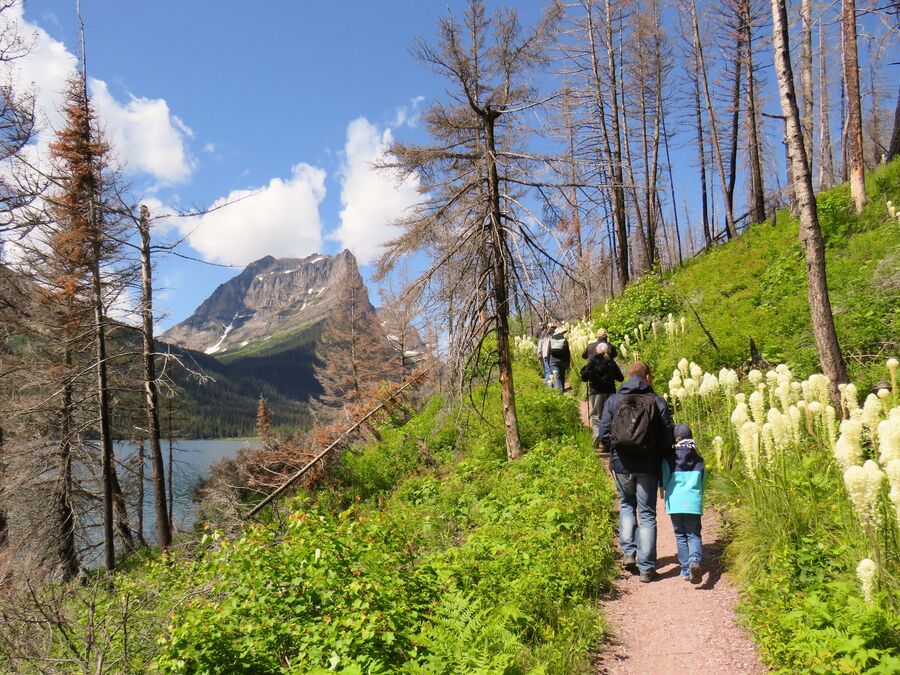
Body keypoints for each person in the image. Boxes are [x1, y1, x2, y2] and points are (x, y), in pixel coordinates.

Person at [599, 361, 674, 583]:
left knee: (626, 504)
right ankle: (647, 568)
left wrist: (615, 451)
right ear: (647, 377)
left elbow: (603, 434)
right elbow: (667, 437)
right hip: (648, 466)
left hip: (622, 465)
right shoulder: (657, 401)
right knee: (648, 513)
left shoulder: (614, 400)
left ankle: (629, 553)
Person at [663, 423, 705, 583]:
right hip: (693, 503)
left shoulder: (669, 459)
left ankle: (685, 570)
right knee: (693, 534)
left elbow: (665, 481)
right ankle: (695, 560)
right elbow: (703, 483)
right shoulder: (699, 460)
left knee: (680, 535)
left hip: (675, 503)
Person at [581, 342, 624, 448]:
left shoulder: (592, 361)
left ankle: (595, 440)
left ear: (597, 350)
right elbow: (621, 378)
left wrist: (590, 374)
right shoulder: (611, 362)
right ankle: (607, 443)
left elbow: (584, 377)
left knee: (596, 417)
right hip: (611, 393)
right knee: (610, 416)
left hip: (596, 393)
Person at [547, 325, 570, 393]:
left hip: (553, 362)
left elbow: (548, 352)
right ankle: (561, 391)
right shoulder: (565, 340)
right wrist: (568, 364)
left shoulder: (551, 340)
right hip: (563, 362)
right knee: (562, 376)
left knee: (557, 377)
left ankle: (559, 394)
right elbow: (568, 353)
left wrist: (548, 362)